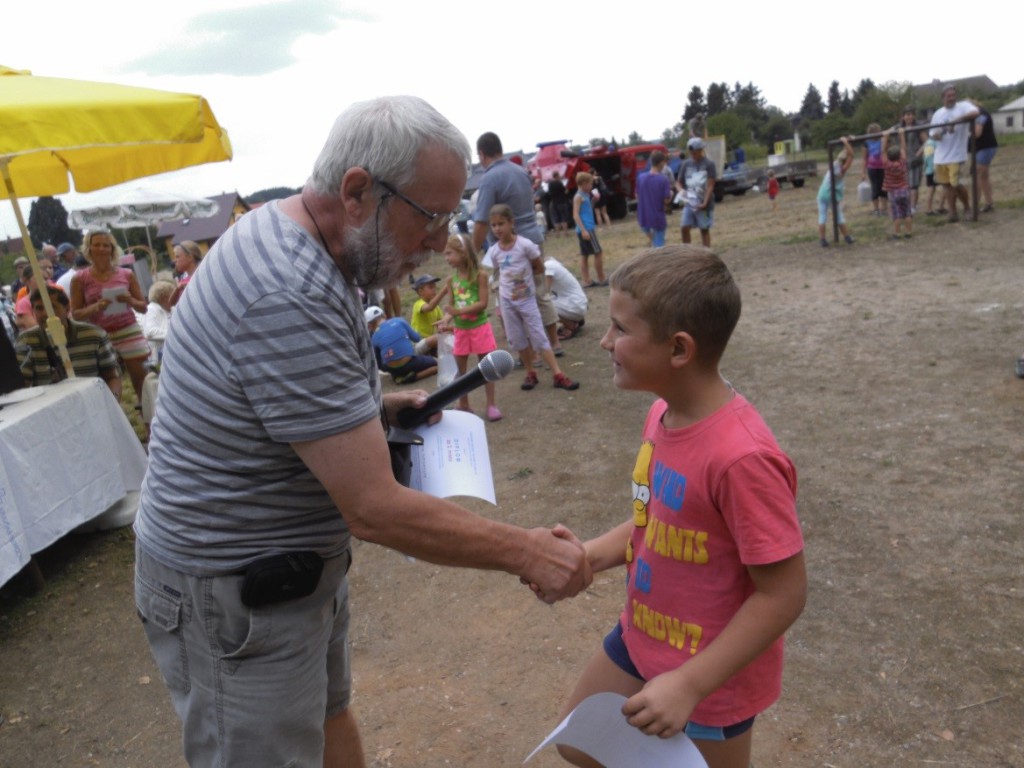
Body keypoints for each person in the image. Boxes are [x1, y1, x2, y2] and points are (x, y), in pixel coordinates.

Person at [133, 95, 591, 768]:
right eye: (431, 218)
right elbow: (373, 508)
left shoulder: (300, 239)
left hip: (281, 574)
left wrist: (369, 409)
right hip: (235, 590)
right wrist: (527, 551)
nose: (441, 242)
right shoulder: (287, 288)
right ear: (356, 191)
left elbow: (263, 398)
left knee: (327, 716)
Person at [553, 246, 806, 768]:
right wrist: (590, 556)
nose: (604, 342)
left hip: (713, 680)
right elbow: (658, 519)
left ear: (679, 349)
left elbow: (783, 595)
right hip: (640, 636)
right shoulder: (663, 413)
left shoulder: (742, 458)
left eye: (620, 330)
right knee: (577, 742)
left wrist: (689, 684)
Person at [473, 132, 562, 355]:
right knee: (539, 291)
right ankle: (554, 342)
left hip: (508, 248)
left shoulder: (489, 178)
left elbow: (482, 220)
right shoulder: (521, 171)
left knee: (511, 297)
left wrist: (472, 251)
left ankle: (528, 350)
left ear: (482, 154)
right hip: (534, 238)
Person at [487, 203, 580, 392]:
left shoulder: (525, 245)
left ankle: (558, 374)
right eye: (494, 225)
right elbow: (498, 271)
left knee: (538, 335)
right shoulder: (494, 250)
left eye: (501, 224)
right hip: (507, 301)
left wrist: (528, 284)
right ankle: (530, 373)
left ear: (511, 222)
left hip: (526, 299)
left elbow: (539, 267)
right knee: (517, 338)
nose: (497, 229)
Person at [70, 230, 150, 401]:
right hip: (100, 334)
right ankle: (114, 419)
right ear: (88, 248)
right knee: (107, 385)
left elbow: (143, 307)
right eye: (96, 244)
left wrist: (129, 300)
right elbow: (75, 314)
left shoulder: (126, 274)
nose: (101, 249)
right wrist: (96, 307)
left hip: (128, 329)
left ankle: (148, 422)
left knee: (143, 382)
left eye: (106, 245)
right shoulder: (79, 279)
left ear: (112, 249)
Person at [435, 233, 501, 421]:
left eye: (449, 254)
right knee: (459, 370)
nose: (447, 259)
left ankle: (491, 404)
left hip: (480, 328)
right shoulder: (451, 280)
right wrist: (446, 320)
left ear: (463, 252)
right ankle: (463, 403)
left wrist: (455, 312)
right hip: (461, 330)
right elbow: (452, 307)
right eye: (445, 255)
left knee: (487, 367)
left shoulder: (480, 275)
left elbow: (482, 303)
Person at [18, 285, 122, 397]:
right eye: (39, 308)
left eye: (52, 307)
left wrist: (112, 400)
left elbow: (112, 376)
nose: (45, 313)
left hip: (91, 398)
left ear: (67, 309)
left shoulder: (94, 335)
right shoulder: (26, 341)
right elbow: (21, 385)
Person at [929, 84, 980, 223]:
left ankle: (967, 208)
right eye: (948, 96)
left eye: (953, 95)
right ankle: (952, 212)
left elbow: (976, 112)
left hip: (956, 155)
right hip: (940, 156)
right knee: (946, 186)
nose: (951, 98)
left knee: (956, 184)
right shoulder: (938, 113)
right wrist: (937, 135)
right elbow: (931, 133)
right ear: (943, 98)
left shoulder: (963, 106)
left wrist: (955, 121)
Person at [366, 305, 437, 385]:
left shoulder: (374, 337)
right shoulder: (399, 321)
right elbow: (417, 338)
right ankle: (413, 377)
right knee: (436, 365)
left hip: (393, 369)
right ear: (384, 315)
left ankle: (399, 375)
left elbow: (378, 364)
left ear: (370, 326)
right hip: (410, 362)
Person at [677, 137, 717, 247]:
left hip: (704, 203)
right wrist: (682, 192)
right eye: (691, 153)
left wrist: (704, 202)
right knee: (684, 226)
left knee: (704, 229)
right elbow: (678, 182)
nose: (693, 155)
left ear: (701, 150)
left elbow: (710, 185)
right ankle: (687, 251)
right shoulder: (685, 164)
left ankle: (706, 253)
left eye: (695, 153)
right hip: (689, 202)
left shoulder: (709, 164)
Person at [817, 136, 856, 248]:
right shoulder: (842, 170)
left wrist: (846, 141)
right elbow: (851, 155)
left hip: (822, 193)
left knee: (822, 216)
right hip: (832, 194)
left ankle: (822, 239)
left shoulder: (834, 165)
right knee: (838, 215)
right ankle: (847, 237)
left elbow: (846, 153)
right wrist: (845, 142)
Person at [572, 172, 607, 287]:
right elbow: (576, 215)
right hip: (586, 229)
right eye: (590, 184)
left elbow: (586, 210)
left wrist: (594, 201)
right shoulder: (578, 197)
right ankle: (601, 278)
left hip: (586, 228)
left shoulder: (585, 195)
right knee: (598, 252)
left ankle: (587, 280)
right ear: (583, 184)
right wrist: (583, 230)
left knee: (585, 254)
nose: (591, 186)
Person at [544, 256, 588, 340]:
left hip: (575, 305)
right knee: (548, 300)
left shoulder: (547, 266)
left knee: (542, 305)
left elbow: (545, 292)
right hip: (580, 303)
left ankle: (570, 325)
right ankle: (575, 319)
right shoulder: (552, 262)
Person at [636, 150, 672, 248]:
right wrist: (671, 195)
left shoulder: (640, 177)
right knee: (659, 247)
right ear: (661, 163)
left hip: (643, 218)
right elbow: (666, 200)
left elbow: (637, 195)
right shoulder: (664, 179)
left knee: (654, 242)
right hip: (657, 218)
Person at [881, 127, 913, 239]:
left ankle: (897, 233)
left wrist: (885, 137)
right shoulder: (902, 162)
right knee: (907, 212)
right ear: (900, 155)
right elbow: (903, 148)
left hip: (894, 194)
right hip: (904, 191)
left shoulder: (887, 165)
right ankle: (908, 232)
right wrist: (902, 135)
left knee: (896, 214)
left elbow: (883, 152)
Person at [896, 108, 926, 213]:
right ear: (903, 116)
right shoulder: (899, 128)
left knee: (914, 184)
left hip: (915, 159)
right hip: (904, 159)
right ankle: (908, 205)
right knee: (906, 184)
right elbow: (901, 145)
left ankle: (913, 207)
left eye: (911, 114)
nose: (909, 117)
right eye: (907, 115)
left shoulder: (918, 127)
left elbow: (926, 142)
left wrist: (919, 152)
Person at [970, 101, 998, 212]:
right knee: (984, 176)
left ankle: (975, 207)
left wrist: (968, 134)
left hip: (985, 147)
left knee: (977, 175)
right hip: (985, 147)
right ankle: (989, 203)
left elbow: (977, 133)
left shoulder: (981, 115)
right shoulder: (981, 114)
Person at [142, 279, 176, 366]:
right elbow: (150, 332)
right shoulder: (152, 309)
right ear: (164, 297)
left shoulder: (173, 309)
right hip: (159, 354)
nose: (176, 297)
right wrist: (174, 334)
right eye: (173, 294)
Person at [408, 273, 444, 355]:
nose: (434, 290)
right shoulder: (418, 304)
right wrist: (444, 292)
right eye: (430, 287)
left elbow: (441, 324)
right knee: (437, 339)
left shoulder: (437, 308)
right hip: (417, 342)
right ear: (421, 291)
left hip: (428, 342)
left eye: (434, 287)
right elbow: (429, 308)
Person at [861, 123, 887, 217]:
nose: (875, 134)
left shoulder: (882, 140)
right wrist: (863, 172)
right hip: (872, 168)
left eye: (876, 132)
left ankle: (884, 209)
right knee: (875, 188)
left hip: (883, 167)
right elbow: (864, 158)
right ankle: (876, 209)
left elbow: (885, 150)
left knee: (884, 188)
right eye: (872, 132)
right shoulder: (866, 142)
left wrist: (884, 139)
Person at [169, 240, 202, 306]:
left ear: (190, 257)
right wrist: (178, 289)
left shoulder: (202, 276)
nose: (175, 261)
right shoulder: (183, 281)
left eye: (177, 256)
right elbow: (171, 303)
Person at [548, 171, 571, 236]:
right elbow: (565, 191)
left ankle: (557, 233)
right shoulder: (559, 183)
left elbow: (549, 193)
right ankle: (565, 233)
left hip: (554, 202)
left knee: (556, 218)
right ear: (557, 176)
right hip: (562, 202)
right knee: (563, 217)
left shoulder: (550, 184)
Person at [922, 136, 940, 216]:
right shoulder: (930, 143)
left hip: (930, 169)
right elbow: (928, 158)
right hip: (932, 170)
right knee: (931, 189)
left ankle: (930, 208)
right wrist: (934, 169)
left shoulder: (929, 143)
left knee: (932, 189)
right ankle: (928, 209)